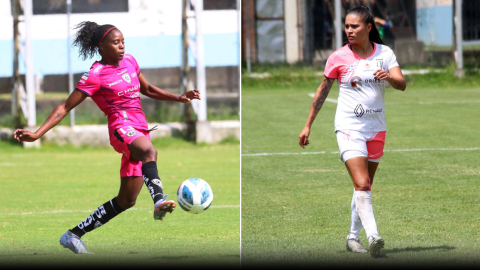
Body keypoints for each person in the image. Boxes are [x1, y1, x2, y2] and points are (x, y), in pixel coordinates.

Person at [13, 21, 201, 254]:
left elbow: (148, 89)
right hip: (121, 128)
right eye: (116, 42)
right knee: (149, 152)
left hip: (139, 130)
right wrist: (37, 133)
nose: (121, 47)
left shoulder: (130, 61)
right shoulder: (96, 74)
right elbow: (64, 106)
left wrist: (179, 98)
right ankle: (159, 200)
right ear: (102, 46)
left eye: (123, 42)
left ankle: (72, 235)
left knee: (127, 200)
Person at [298, 6, 406, 258]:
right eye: (346, 26)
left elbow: (402, 84)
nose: (349, 30)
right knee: (361, 183)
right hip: (348, 127)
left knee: (364, 188)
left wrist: (388, 78)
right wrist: (307, 125)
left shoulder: (385, 53)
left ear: (369, 28)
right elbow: (322, 91)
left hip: (377, 128)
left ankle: (351, 237)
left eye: (354, 26)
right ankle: (374, 236)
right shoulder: (338, 57)